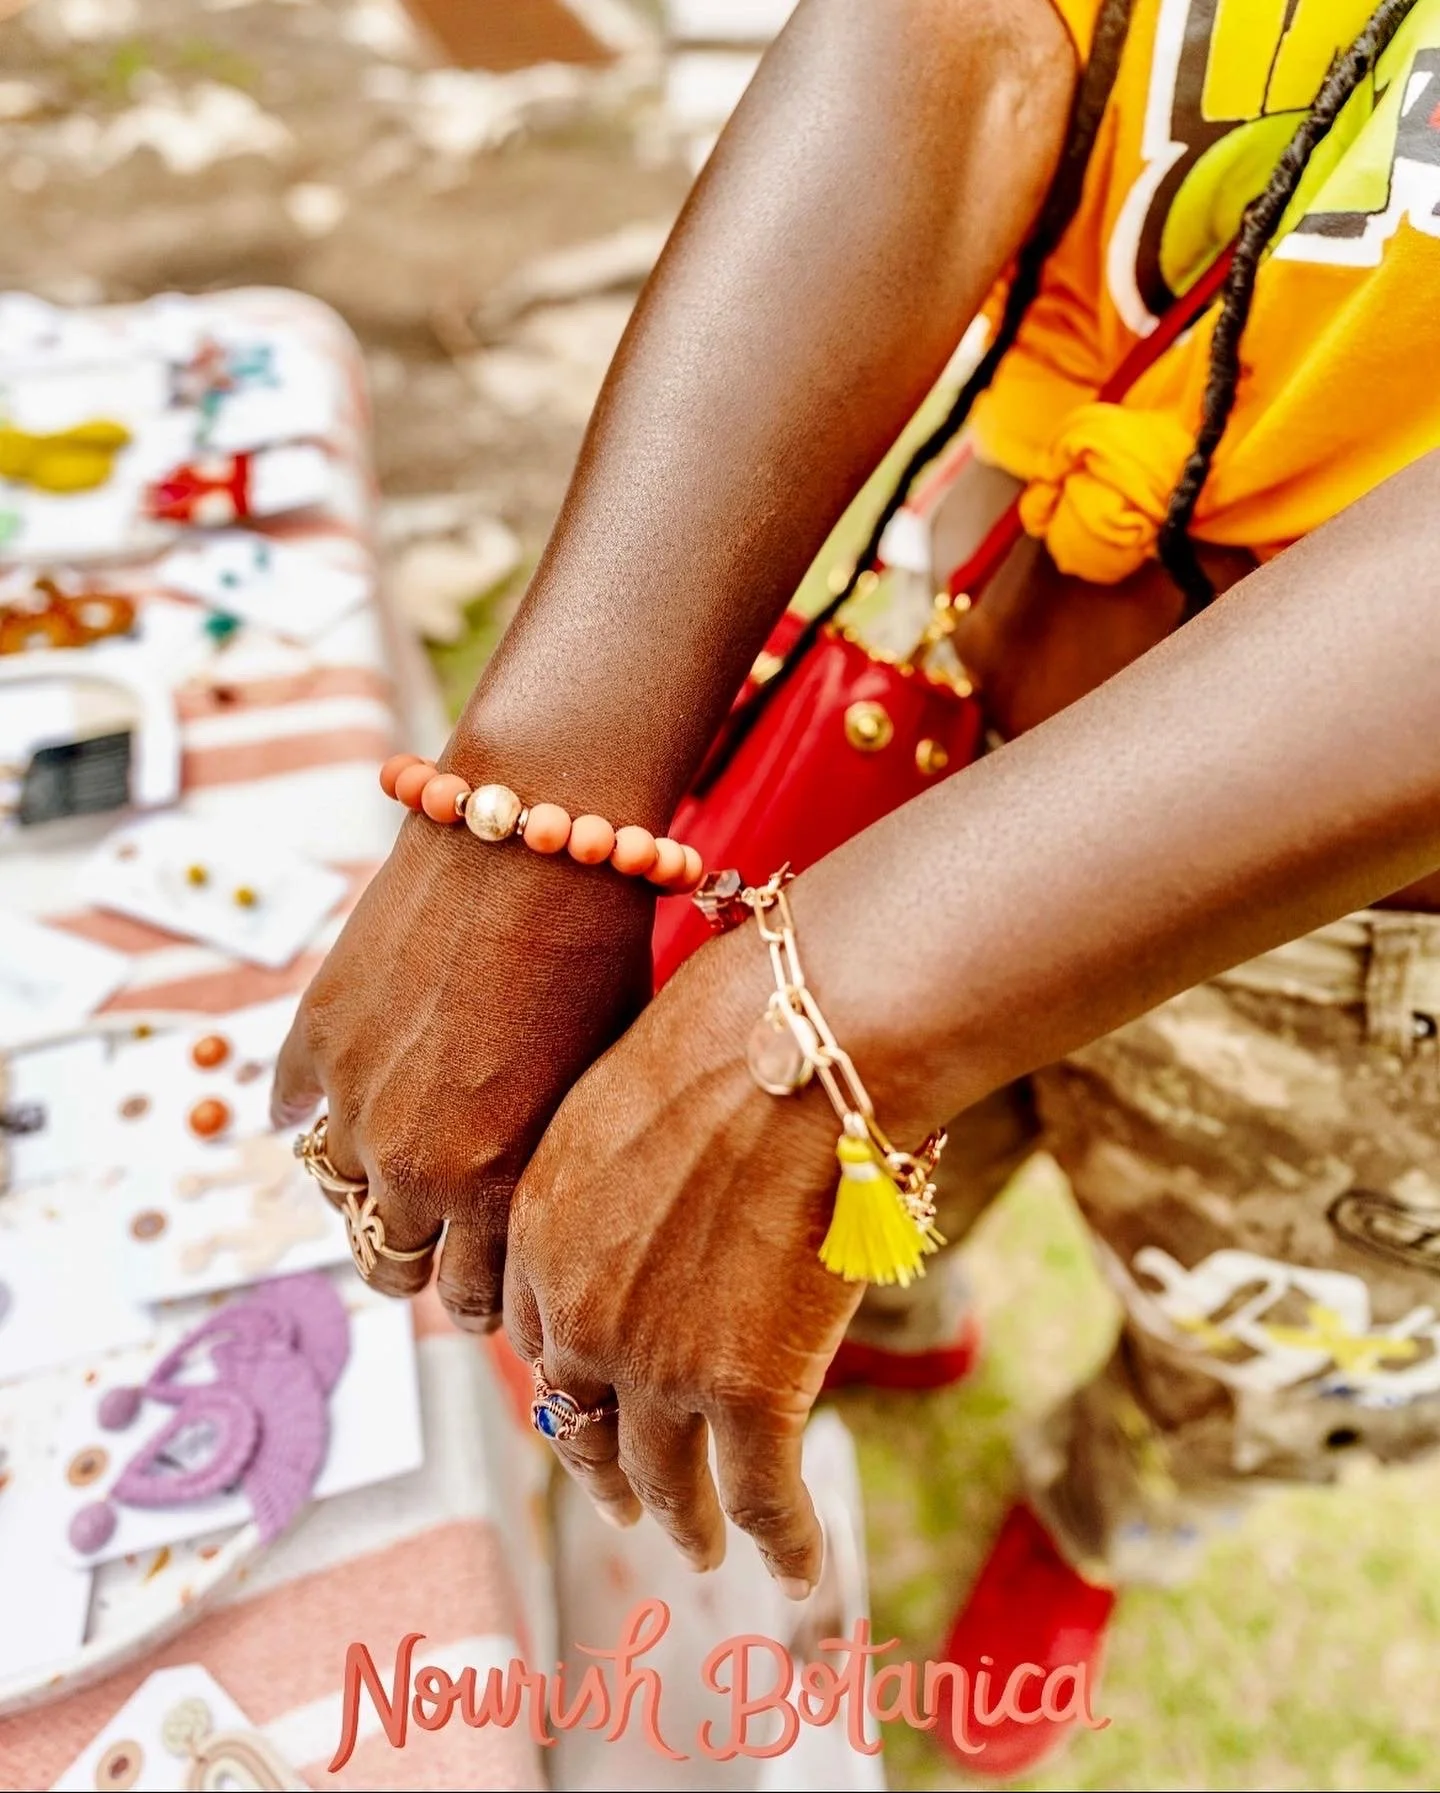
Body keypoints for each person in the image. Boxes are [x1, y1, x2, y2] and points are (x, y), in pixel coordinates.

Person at [275, 0, 1440, 1775]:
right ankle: (903, 1315)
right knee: (813, 1212)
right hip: (965, 637)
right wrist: (541, 793)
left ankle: (1100, 1519)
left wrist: (829, 1010)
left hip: (1380, 943)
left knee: (1265, 1351)